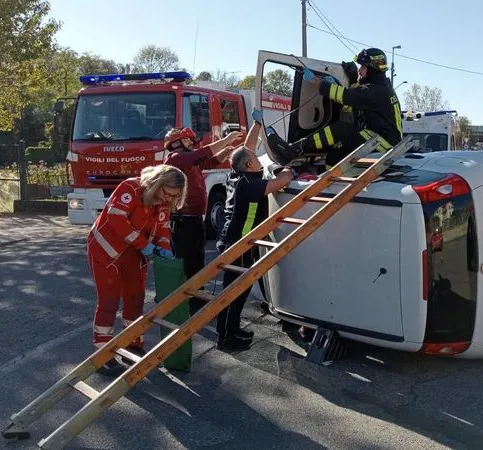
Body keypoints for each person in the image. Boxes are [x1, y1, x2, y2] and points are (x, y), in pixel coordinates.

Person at [87, 164, 187, 375]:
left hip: (133, 254)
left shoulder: (163, 202)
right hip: (106, 251)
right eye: (167, 193)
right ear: (157, 184)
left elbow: (162, 230)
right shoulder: (130, 188)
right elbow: (116, 219)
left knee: (135, 299)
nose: (169, 199)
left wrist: (164, 249)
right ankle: (102, 354)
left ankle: (133, 345)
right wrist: (145, 246)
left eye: (175, 196)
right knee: (109, 301)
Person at [215, 114, 295, 351]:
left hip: (235, 239)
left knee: (239, 290)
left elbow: (245, 148)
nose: (259, 159)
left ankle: (232, 329)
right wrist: (289, 165)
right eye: (255, 159)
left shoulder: (238, 174)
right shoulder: (251, 185)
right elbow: (283, 181)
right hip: (240, 243)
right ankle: (225, 338)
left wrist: (257, 125)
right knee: (234, 293)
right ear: (249, 165)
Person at [265, 47, 403, 169]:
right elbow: (354, 103)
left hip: (383, 145)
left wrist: (318, 82)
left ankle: (294, 150)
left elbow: (345, 96)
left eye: (363, 67)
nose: (360, 71)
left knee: (341, 129)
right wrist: (354, 81)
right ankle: (331, 185)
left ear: (372, 68)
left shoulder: (376, 91)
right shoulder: (381, 87)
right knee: (334, 156)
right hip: (382, 142)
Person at [163, 127, 245, 315]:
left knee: (197, 260)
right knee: (189, 262)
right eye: (188, 140)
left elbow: (212, 160)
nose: (192, 143)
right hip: (184, 221)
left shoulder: (189, 160)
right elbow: (205, 152)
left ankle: (196, 297)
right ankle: (190, 302)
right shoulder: (176, 158)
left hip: (194, 220)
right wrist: (226, 140)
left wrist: (229, 149)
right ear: (176, 143)